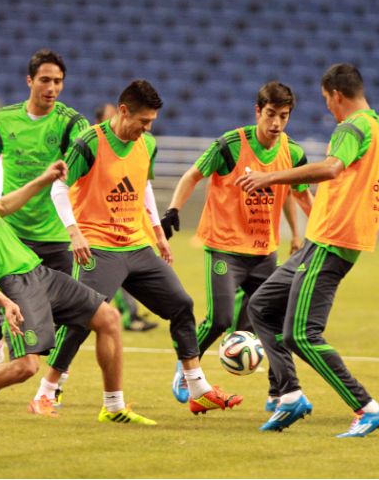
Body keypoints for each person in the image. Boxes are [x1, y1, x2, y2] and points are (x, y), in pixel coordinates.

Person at [235, 63, 379, 437]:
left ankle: (367, 407)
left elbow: (332, 168)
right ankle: (289, 396)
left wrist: (269, 177)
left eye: (327, 100)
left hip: (334, 241)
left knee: (302, 334)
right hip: (319, 241)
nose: (328, 108)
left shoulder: (351, 128)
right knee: (260, 306)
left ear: (337, 95)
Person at [0, 133, 155, 425]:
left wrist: (44, 180)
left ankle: (113, 407)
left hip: (38, 272)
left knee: (108, 318)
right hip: (11, 285)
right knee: (25, 366)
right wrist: (4, 301)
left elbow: (3, 207)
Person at [51, 79, 243, 415]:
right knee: (83, 318)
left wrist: (156, 231)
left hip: (136, 245)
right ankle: (48, 390)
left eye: (151, 122)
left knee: (182, 304)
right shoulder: (89, 143)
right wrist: (75, 233)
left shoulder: (146, 144)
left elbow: (144, 187)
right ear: (124, 111)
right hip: (99, 245)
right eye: (143, 121)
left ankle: (198, 389)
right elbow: (58, 188)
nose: (147, 128)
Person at [160, 81, 314, 409]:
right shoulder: (230, 145)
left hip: (264, 251)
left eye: (283, 116)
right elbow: (192, 175)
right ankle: (185, 369)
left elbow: (297, 193)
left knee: (271, 321)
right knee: (219, 318)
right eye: (270, 114)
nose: (276, 123)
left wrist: (307, 233)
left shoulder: (293, 152)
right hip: (225, 248)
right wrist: (173, 209)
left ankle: (279, 394)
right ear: (258, 111)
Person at [0, 49, 91, 409]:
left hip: (55, 233)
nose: (52, 87)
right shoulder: (3, 119)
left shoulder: (72, 123)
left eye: (58, 81)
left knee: (59, 311)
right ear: (30, 81)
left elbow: (87, 164)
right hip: (10, 229)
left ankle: (50, 387)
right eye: (45, 80)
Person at [94, 101, 158, 332]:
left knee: (130, 275)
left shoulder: (136, 148)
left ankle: (130, 314)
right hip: (101, 231)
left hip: (129, 226)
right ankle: (127, 317)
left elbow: (144, 185)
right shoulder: (93, 147)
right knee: (114, 280)